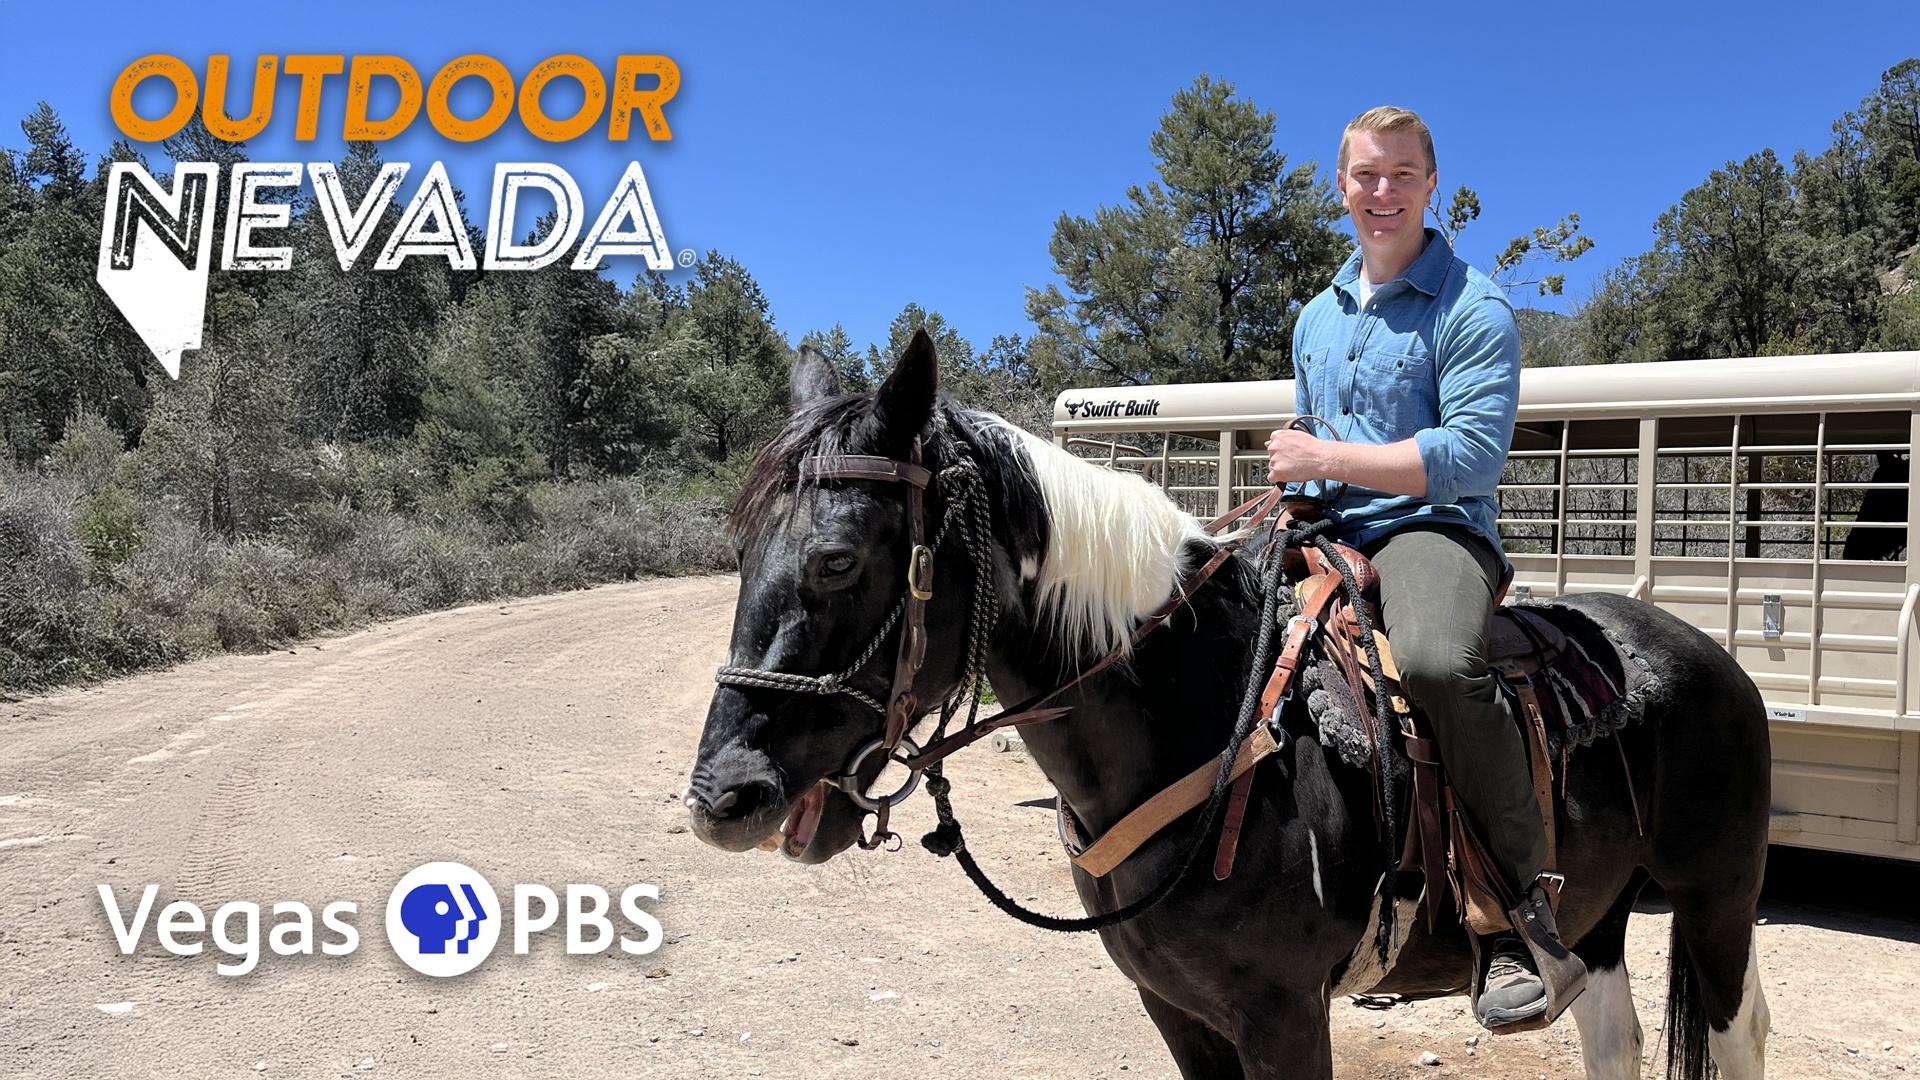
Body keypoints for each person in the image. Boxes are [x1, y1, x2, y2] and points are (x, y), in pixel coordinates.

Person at [1264, 106, 1587, 1031]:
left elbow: (1471, 458)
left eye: (1402, 174)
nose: (1383, 192)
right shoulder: (1317, 317)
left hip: (1432, 530)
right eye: (1366, 175)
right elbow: (1311, 433)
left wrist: (1327, 462)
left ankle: (1521, 915)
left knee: (1442, 663)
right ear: (1342, 186)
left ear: (1431, 185)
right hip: (1327, 523)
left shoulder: (1472, 307)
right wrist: (1300, 478)